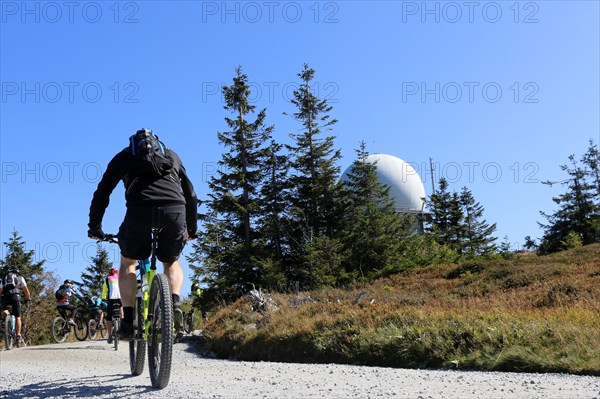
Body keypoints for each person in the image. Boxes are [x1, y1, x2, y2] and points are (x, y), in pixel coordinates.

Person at [88, 128, 198, 339]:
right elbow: (191, 194)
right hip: (174, 210)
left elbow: (102, 193)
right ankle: (174, 302)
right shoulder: (172, 155)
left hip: (139, 211)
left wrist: (95, 227)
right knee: (172, 262)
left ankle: (128, 320)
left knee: (128, 262)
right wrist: (191, 228)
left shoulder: (124, 156)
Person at [0, 267, 31, 344]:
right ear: (17, 272)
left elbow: (0, 290)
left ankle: (4, 320)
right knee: (18, 316)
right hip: (16, 296)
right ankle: (18, 335)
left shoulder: (4, 279)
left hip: (5, 296)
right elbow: (25, 289)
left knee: (5, 309)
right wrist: (28, 298)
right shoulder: (20, 278)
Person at [101, 268, 122, 344]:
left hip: (111, 300)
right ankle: (123, 319)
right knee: (121, 307)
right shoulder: (120, 278)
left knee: (108, 318)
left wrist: (103, 298)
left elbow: (104, 290)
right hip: (120, 299)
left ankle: (110, 336)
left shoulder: (107, 279)